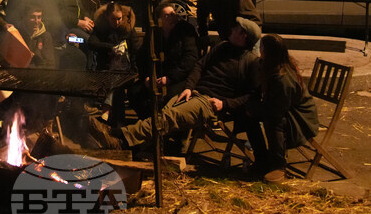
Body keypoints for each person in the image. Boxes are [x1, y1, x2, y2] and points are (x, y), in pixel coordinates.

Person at [89, 17, 262, 150]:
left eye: (237, 29)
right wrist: (189, 87)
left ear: (243, 36)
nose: (232, 29)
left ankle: (118, 136)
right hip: (195, 93)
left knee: (168, 118)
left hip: (210, 102)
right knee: (164, 115)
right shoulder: (223, 47)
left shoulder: (250, 61)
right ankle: (130, 145)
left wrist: (224, 104)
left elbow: (252, 96)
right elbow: (199, 66)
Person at [243, 34, 320, 181]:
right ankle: (262, 158)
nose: (260, 51)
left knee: (273, 122)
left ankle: (278, 165)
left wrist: (256, 110)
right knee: (248, 117)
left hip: (300, 118)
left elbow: (277, 110)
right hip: (284, 109)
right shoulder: (270, 67)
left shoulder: (282, 77)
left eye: (263, 49)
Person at [132, 0, 199, 118]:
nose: (172, 17)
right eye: (167, 15)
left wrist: (170, 78)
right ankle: (147, 123)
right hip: (157, 76)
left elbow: (190, 58)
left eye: (173, 14)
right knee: (135, 93)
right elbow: (142, 57)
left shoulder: (185, 30)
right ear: (159, 19)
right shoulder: (154, 33)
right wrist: (146, 77)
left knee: (169, 97)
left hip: (179, 77)